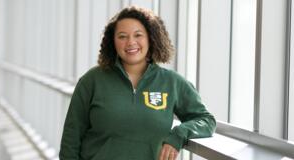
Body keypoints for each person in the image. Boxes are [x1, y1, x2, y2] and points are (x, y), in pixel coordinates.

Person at [59, 6, 216, 160]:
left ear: (151, 38)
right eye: (122, 36)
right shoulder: (91, 81)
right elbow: (71, 139)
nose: (130, 42)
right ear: (113, 42)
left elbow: (206, 120)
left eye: (138, 35)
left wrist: (179, 135)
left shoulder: (172, 83)